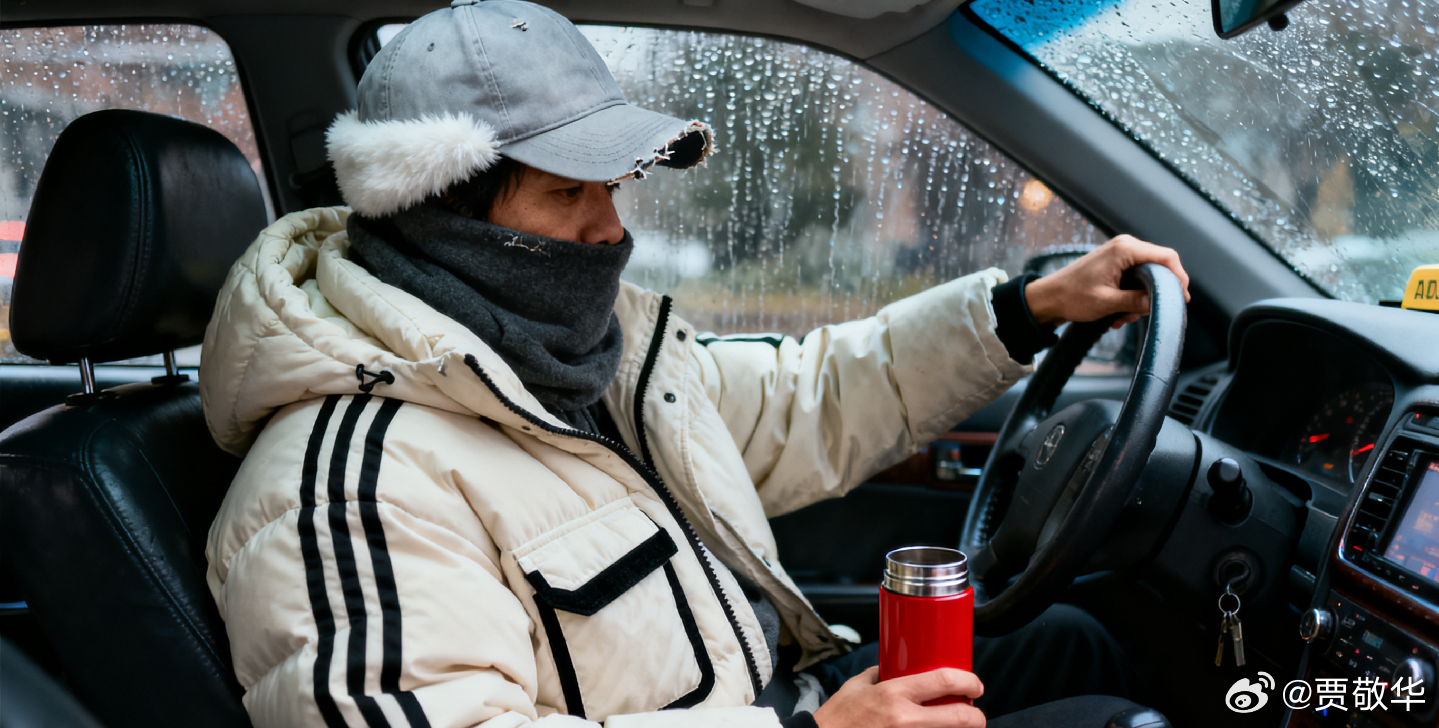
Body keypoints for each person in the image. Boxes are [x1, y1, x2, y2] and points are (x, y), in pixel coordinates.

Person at [199, 2, 1190, 728]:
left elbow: (811, 397)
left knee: (1068, 639)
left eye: (615, 185)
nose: (608, 229)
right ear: (438, 211)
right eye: (565, 195)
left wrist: (1023, 308)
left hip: (777, 693)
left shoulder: (584, 362)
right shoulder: (344, 487)